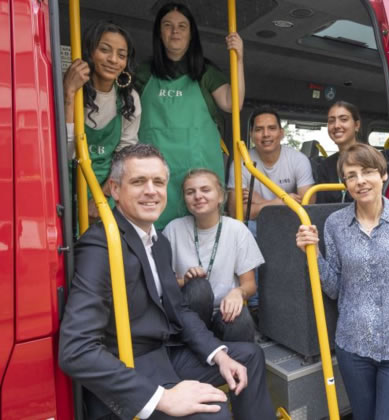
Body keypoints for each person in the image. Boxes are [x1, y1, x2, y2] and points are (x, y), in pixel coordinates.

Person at [59, 144, 275, 420]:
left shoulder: (158, 242)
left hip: (163, 354)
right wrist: (163, 398)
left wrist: (218, 354)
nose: (151, 191)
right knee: (215, 414)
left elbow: (180, 310)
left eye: (158, 182)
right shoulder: (101, 245)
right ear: (114, 189)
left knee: (249, 357)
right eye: (139, 182)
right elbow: (76, 350)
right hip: (129, 369)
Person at [295, 143, 389, 420]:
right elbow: (335, 289)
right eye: (351, 175)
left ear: (383, 174)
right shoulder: (335, 224)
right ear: (345, 183)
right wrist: (311, 254)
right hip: (354, 349)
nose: (360, 181)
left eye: (367, 171)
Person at [135, 2, 245, 229]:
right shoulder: (144, 72)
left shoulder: (204, 72)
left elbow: (233, 103)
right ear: (159, 32)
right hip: (155, 175)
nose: (175, 31)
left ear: (191, 33)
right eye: (168, 25)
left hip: (198, 173)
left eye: (182, 26)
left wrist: (239, 59)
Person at [163, 169, 263, 343]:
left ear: (221, 197)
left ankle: (234, 366)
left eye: (205, 190)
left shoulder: (237, 230)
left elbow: (250, 285)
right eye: (190, 192)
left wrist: (238, 292)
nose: (198, 196)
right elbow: (163, 283)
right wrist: (185, 281)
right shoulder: (173, 229)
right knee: (198, 287)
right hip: (187, 313)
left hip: (224, 312)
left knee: (241, 319)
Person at [63, 21, 140, 220]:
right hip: (64, 186)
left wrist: (101, 197)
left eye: (121, 55)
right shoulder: (69, 88)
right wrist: (69, 94)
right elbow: (65, 152)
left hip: (106, 191)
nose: (113, 60)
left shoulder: (129, 98)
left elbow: (125, 156)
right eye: (105, 50)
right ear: (89, 52)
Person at [227, 107, 315, 220]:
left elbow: (307, 209)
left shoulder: (298, 160)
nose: (266, 134)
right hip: (254, 226)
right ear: (252, 135)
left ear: (281, 133)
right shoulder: (240, 163)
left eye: (272, 128)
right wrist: (280, 202)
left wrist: (261, 202)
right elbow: (235, 212)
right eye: (259, 129)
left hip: (288, 224)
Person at [316, 101, 361, 203]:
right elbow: (321, 207)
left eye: (343, 119)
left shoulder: (371, 159)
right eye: (331, 121)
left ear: (357, 125)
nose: (336, 125)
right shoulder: (325, 166)